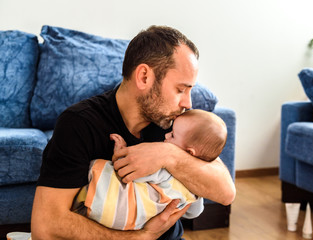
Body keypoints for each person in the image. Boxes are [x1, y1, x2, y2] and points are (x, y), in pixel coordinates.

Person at [31, 25, 236, 240]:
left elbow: (225, 193)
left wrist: (167, 155)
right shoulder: (79, 124)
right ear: (144, 77)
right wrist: (141, 237)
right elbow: (46, 225)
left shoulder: (174, 123)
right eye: (180, 89)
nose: (188, 102)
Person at [71, 109, 228, 230]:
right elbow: (193, 213)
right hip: (134, 223)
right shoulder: (195, 190)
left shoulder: (165, 171)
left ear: (189, 152)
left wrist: (120, 153)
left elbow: (131, 174)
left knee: (99, 169)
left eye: (172, 135)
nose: (166, 136)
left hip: (117, 213)